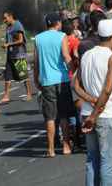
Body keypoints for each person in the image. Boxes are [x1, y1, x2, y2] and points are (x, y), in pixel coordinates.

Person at [78, 19, 112, 186]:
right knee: (109, 164)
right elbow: (106, 90)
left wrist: (91, 100)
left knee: (92, 160)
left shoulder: (87, 54)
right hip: (104, 116)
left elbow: (75, 84)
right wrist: (95, 113)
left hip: (87, 113)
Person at [34, 13, 75, 157]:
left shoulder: (38, 39)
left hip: (46, 81)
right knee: (63, 115)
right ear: (58, 23)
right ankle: (66, 145)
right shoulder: (61, 36)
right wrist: (74, 71)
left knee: (50, 117)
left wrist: (36, 79)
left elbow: (36, 61)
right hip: (62, 79)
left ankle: (50, 149)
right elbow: (66, 56)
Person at [0, 11, 33, 105]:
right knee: (7, 75)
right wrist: (6, 45)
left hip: (19, 54)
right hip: (10, 54)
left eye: (5, 18)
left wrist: (8, 44)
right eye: (3, 18)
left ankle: (29, 94)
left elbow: (21, 40)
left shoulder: (17, 25)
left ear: (10, 16)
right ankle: (6, 96)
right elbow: (9, 39)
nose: (4, 20)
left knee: (23, 74)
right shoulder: (8, 27)